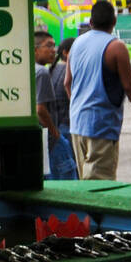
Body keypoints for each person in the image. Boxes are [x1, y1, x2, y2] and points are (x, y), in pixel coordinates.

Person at [65, 0, 131, 179]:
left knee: (85, 184)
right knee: (100, 187)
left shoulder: (76, 44)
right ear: (114, 22)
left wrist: (78, 106)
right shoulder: (116, 47)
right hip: (101, 126)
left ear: (91, 22)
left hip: (77, 124)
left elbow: (67, 82)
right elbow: (130, 87)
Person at [35, 29, 77, 181]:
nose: (54, 50)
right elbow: (40, 109)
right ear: (35, 49)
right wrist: (56, 134)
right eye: (49, 46)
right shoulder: (42, 72)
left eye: (54, 46)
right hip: (53, 138)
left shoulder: (32, 70)